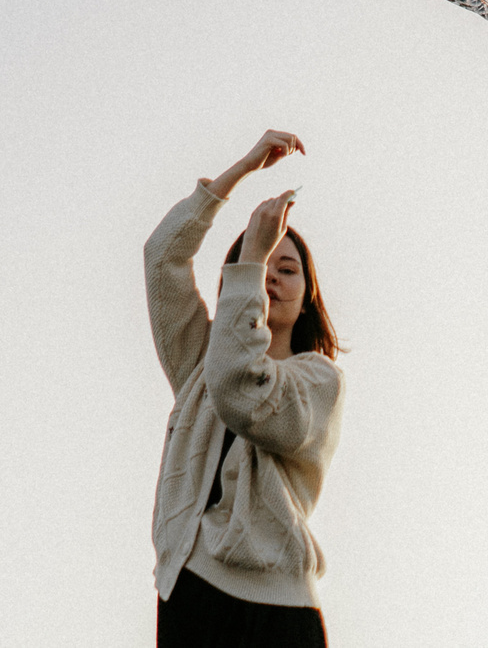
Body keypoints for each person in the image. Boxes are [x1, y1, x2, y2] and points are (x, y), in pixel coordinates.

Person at [144, 128, 345, 646]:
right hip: (189, 593)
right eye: (262, 265)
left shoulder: (319, 380)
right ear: (235, 281)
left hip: (278, 609)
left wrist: (253, 254)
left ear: (306, 297)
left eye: (287, 268)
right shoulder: (200, 365)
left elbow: (243, 394)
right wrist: (239, 171)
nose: (271, 277)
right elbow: (161, 258)